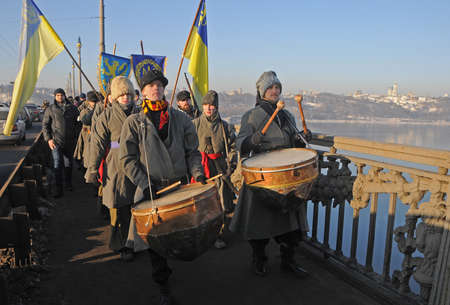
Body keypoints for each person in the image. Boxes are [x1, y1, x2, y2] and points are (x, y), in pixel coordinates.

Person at [119, 69, 205, 305]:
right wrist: (144, 184)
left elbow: (192, 152)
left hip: (178, 189)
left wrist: (197, 174)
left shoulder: (181, 119)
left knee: (179, 235)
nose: (156, 88)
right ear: (143, 92)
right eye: (150, 85)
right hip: (151, 192)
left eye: (159, 84)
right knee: (154, 244)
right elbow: (127, 159)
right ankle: (163, 285)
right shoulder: (134, 122)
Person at [229, 71, 312, 278]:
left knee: (290, 226)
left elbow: (294, 142)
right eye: (270, 88)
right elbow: (241, 143)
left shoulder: (287, 115)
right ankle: (259, 259)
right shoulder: (252, 115)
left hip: (286, 176)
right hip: (263, 176)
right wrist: (251, 141)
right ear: (262, 91)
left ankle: (288, 260)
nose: (275, 91)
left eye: (277, 87)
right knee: (260, 225)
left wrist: (302, 138)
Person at [85, 77, 137, 262]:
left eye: (128, 94)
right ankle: (121, 244)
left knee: (137, 205)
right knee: (119, 206)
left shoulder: (139, 114)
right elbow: (97, 145)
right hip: (116, 165)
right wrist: (92, 168)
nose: (125, 97)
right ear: (115, 96)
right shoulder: (106, 116)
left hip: (138, 163)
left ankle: (136, 242)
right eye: (121, 94)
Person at [192, 90, 237, 249]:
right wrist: (196, 171)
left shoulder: (225, 126)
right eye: (206, 105)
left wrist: (231, 165)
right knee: (201, 205)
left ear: (216, 107)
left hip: (220, 169)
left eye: (211, 105)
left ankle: (218, 235)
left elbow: (233, 147)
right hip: (201, 168)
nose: (209, 108)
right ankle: (201, 236)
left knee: (222, 204)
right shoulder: (194, 124)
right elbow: (189, 149)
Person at [42, 88, 79, 198]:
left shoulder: (72, 108)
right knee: (57, 164)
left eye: (61, 95)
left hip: (70, 141)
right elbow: (45, 125)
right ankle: (59, 189)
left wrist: (75, 135)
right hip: (56, 141)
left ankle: (68, 183)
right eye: (57, 95)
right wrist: (49, 139)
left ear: (64, 96)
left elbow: (78, 123)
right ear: (54, 97)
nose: (60, 97)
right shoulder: (51, 109)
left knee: (68, 164)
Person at [73, 91, 100, 170]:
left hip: (97, 135)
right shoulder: (84, 111)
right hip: (86, 133)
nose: (94, 103)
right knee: (86, 152)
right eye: (92, 101)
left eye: (95, 101)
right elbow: (84, 123)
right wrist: (89, 132)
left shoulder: (101, 110)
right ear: (88, 101)